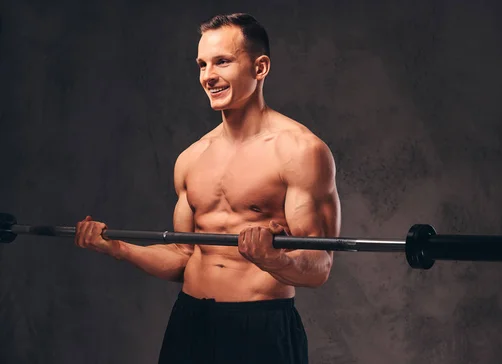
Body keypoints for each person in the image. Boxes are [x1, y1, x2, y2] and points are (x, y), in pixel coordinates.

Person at [74, 12, 341, 364]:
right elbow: (184, 257)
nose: (208, 76)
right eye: (202, 65)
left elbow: (319, 266)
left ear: (260, 68)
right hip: (190, 322)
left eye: (222, 62)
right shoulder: (191, 159)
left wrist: (272, 259)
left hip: (259, 327)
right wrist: (120, 248)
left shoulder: (300, 151)